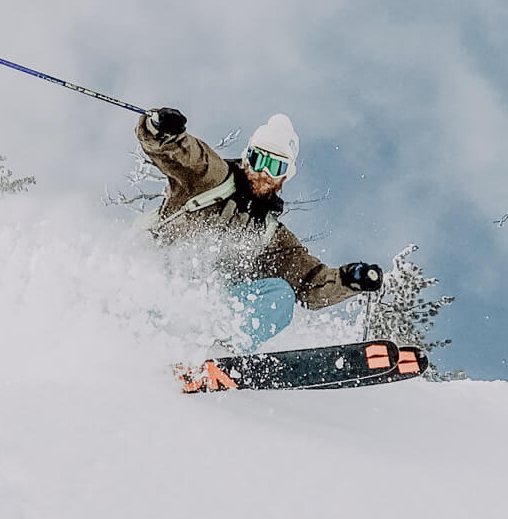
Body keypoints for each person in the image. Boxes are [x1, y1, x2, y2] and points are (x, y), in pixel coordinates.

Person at [136, 106, 382, 347]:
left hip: (205, 311)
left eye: (275, 167)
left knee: (280, 295)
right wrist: (162, 129)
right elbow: (186, 155)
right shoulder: (212, 178)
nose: (263, 172)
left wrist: (348, 279)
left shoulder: (270, 235)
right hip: (158, 285)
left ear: (285, 176)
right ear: (246, 158)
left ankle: (222, 350)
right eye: (257, 159)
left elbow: (309, 282)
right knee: (171, 279)